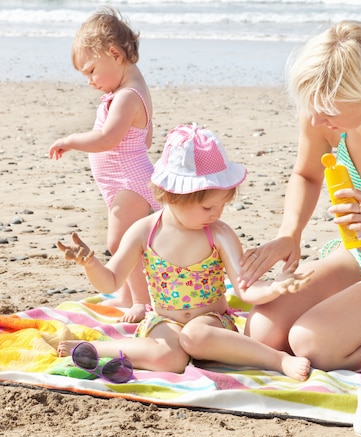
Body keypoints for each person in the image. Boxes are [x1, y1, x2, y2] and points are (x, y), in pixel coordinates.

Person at [57, 123, 312, 381]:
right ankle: (98, 349)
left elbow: (245, 288)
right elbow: (110, 281)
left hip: (211, 323)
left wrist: (276, 287)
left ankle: (278, 359)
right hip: (165, 322)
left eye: (221, 205)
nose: (216, 213)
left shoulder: (219, 233)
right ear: (172, 196)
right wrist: (90, 264)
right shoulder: (144, 231)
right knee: (169, 359)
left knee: (195, 337)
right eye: (207, 207)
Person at [239, 19, 361, 372]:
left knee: (313, 343)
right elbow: (306, 175)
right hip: (360, 259)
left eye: (329, 109)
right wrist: (290, 234)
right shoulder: (322, 117)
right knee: (261, 333)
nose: (317, 119)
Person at [49, 7, 159, 323]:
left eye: (91, 70)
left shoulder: (126, 96)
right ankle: (126, 294)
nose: (90, 81)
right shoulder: (132, 91)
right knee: (125, 241)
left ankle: (141, 301)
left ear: (114, 53)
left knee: (121, 243)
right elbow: (146, 138)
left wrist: (71, 140)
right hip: (123, 181)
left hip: (130, 182)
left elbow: (107, 139)